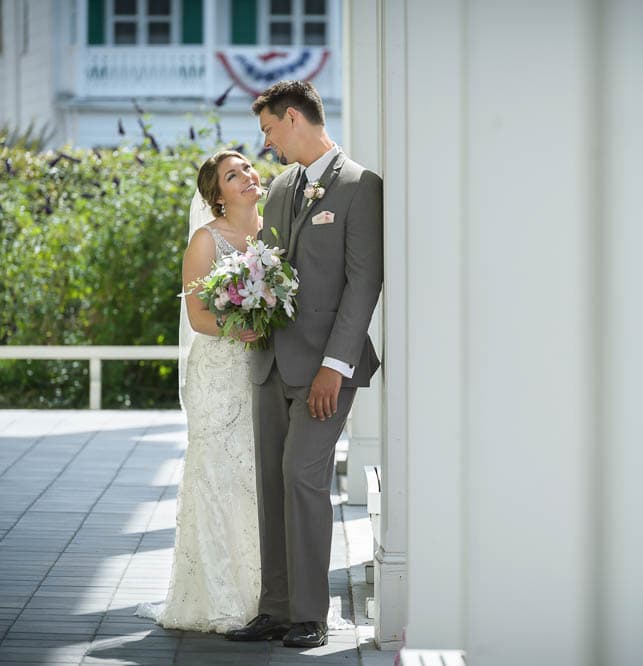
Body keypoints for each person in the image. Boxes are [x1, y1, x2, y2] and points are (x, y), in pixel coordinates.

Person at [224, 80, 383, 648]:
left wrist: (334, 368)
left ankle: (312, 614)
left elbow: (365, 281)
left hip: (325, 371)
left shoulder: (362, 186)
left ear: (293, 118)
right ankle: (275, 609)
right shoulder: (283, 186)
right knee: (272, 482)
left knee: (302, 474)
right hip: (270, 362)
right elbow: (267, 267)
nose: (266, 144)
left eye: (268, 129)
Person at [136, 150, 264, 633]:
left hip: (265, 369)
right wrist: (245, 327)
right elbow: (198, 317)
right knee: (217, 472)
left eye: (248, 167)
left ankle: (264, 594)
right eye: (234, 175)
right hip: (219, 371)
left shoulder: (275, 233)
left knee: (255, 476)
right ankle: (219, 596)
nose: (248, 175)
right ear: (215, 196)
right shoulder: (205, 241)